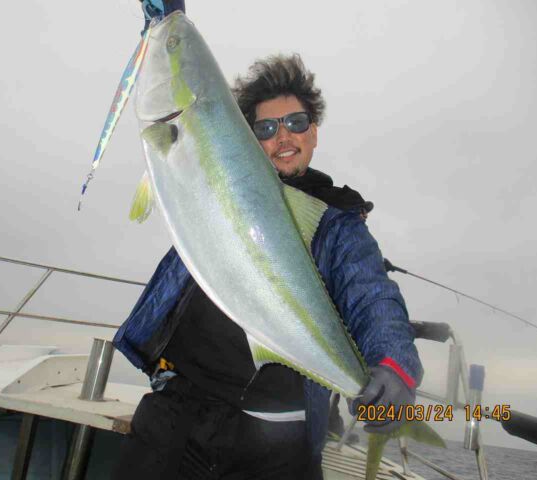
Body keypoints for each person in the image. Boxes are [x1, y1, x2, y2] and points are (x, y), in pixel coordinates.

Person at [113, 4, 422, 479]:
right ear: (247, 137)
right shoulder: (214, 182)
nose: (283, 137)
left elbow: (373, 296)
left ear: (314, 131)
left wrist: (395, 362)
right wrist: (164, 28)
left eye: (296, 123)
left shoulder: (337, 225)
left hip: (276, 441)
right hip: (176, 412)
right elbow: (185, 116)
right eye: (265, 128)